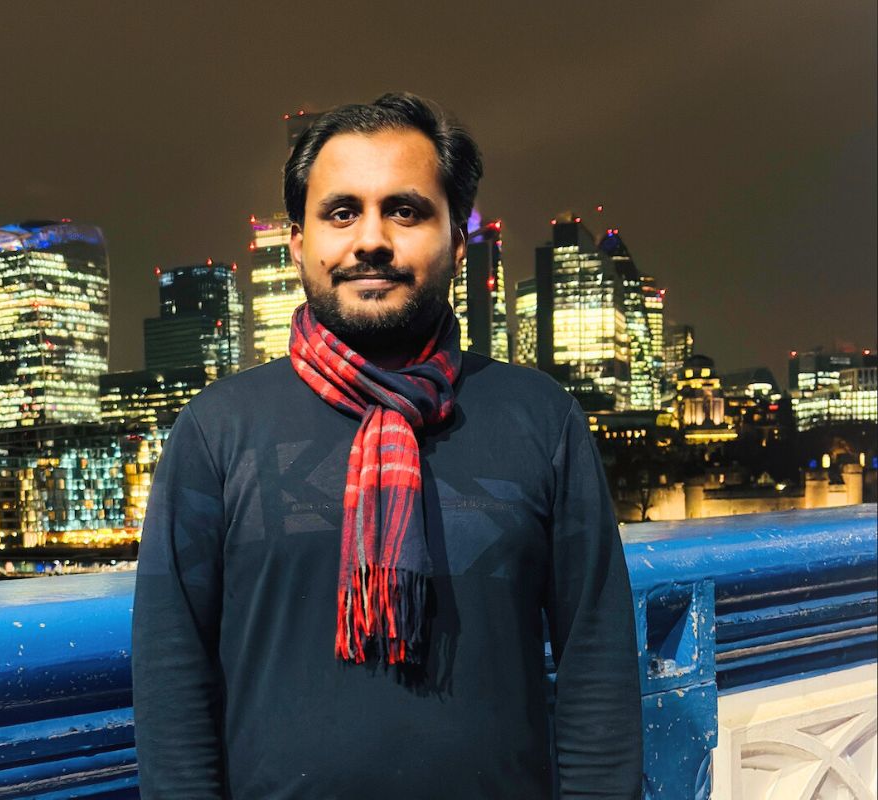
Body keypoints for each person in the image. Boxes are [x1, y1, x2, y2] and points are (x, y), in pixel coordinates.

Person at [132, 92, 643, 799]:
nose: (371, 238)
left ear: (458, 245)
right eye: (341, 212)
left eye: (405, 210)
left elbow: (598, 663)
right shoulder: (216, 429)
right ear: (299, 244)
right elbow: (171, 679)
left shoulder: (541, 418)